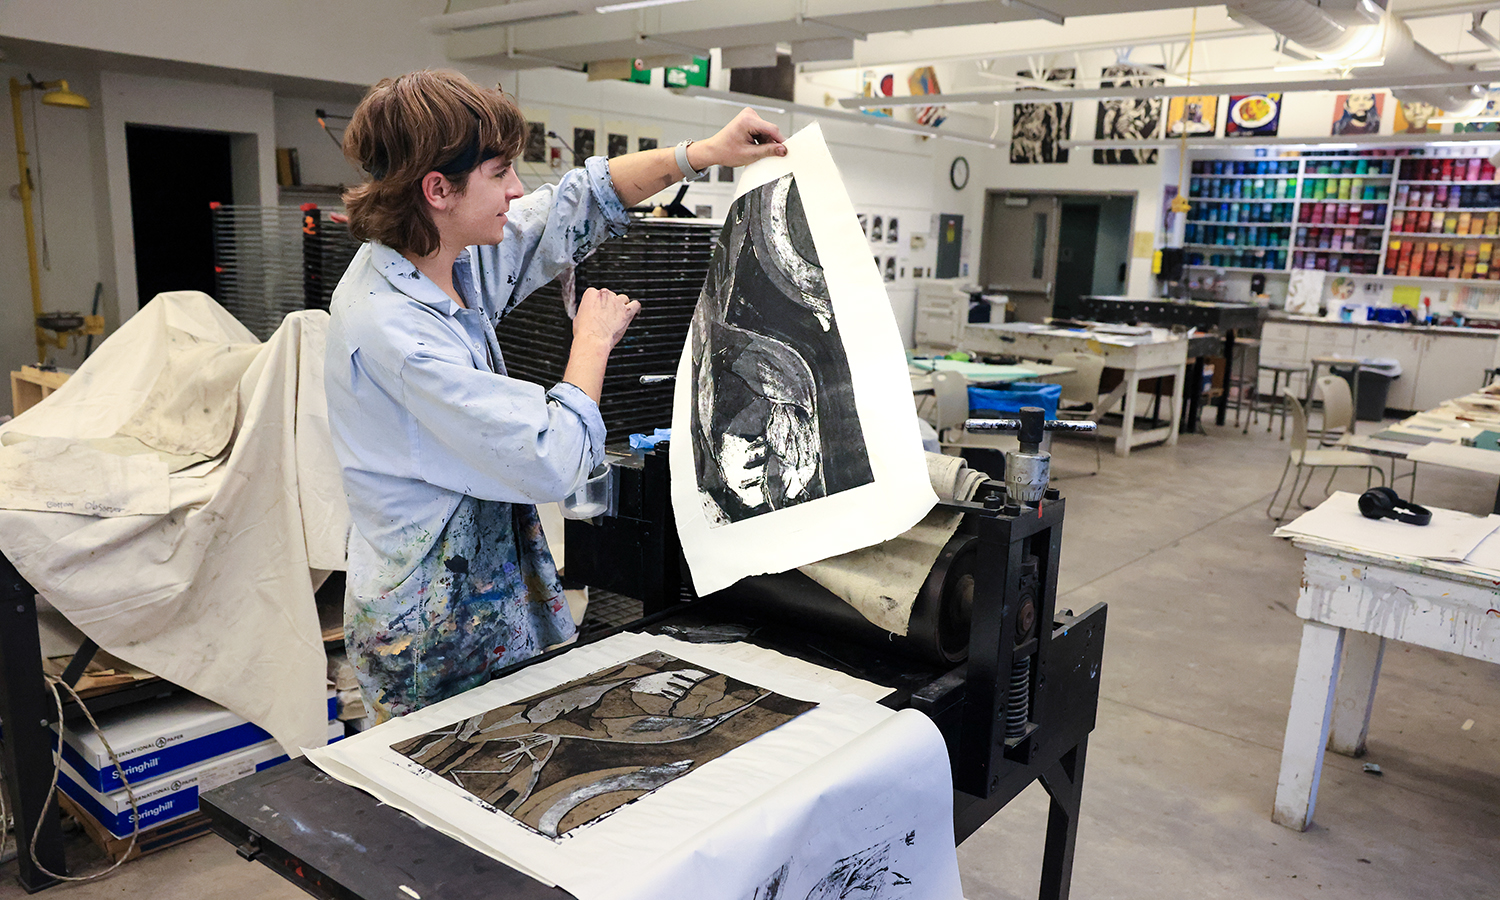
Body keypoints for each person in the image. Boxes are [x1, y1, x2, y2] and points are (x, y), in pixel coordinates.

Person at [325, 69, 786, 719]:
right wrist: (592, 340)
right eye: (498, 174)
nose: (517, 191)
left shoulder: (440, 251)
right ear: (437, 189)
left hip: (481, 587)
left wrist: (703, 154)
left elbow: (578, 203)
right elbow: (550, 457)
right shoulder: (398, 332)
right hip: (434, 630)